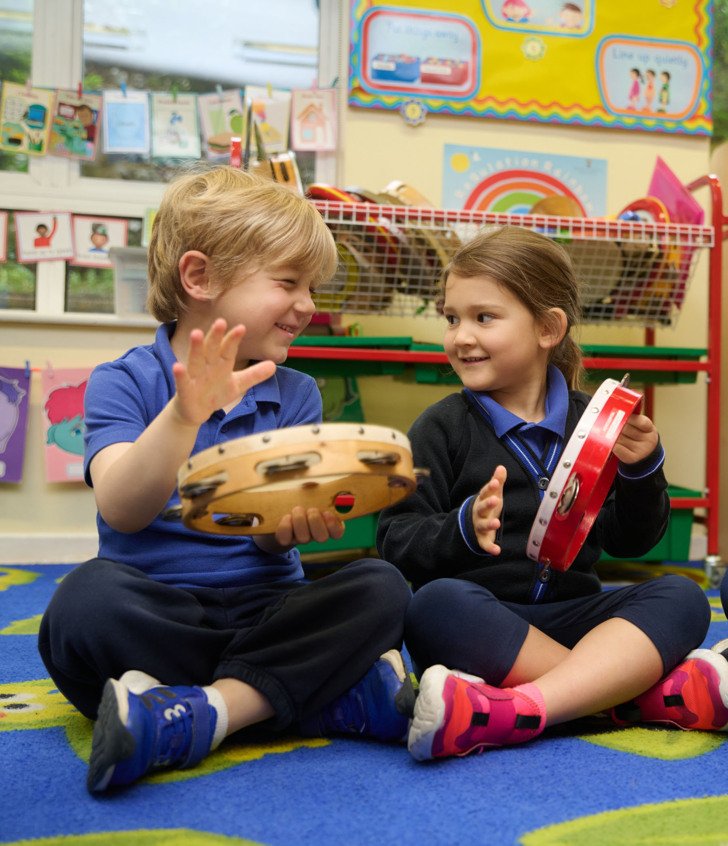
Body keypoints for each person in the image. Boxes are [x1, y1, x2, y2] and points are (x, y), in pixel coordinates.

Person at [38, 166, 412, 793]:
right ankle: (305, 698)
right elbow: (124, 508)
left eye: (311, 287)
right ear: (200, 277)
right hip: (163, 610)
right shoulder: (121, 381)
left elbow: (267, 537)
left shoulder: (294, 392)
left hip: (266, 610)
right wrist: (186, 413)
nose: (308, 305)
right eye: (289, 283)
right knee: (80, 607)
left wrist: (288, 531)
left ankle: (203, 711)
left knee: (383, 587)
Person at [377, 224, 726, 763]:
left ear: (548, 328)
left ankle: (519, 707)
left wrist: (641, 471)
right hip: (489, 621)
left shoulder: (598, 422)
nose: (460, 335)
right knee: (434, 606)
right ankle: (630, 696)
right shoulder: (440, 427)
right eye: (451, 318)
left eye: (483, 317)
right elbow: (394, 539)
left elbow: (632, 543)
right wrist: (463, 529)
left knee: (680, 595)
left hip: (575, 614)